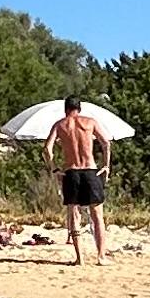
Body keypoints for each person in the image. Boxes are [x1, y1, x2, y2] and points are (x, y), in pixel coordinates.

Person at [47, 94, 113, 266]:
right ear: (79, 108)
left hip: (71, 171)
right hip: (90, 170)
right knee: (97, 216)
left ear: (66, 109)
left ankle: (80, 258)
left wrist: (54, 168)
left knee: (74, 215)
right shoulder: (90, 122)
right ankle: (101, 256)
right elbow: (106, 143)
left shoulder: (60, 125)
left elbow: (47, 149)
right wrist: (106, 165)